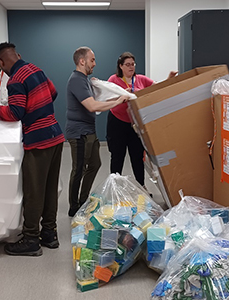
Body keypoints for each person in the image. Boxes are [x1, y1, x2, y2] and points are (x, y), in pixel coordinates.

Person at [0, 42, 64, 257]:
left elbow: (14, 113)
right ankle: (50, 234)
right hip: (56, 135)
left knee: (34, 191)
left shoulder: (15, 81)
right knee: (50, 188)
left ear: (2, 62)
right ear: (18, 55)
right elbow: (53, 93)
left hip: (38, 141)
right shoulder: (35, 69)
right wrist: (38, 108)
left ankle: (31, 238)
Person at [66, 46, 128, 217]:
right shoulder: (76, 80)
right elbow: (92, 106)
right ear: (82, 61)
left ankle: (83, 199)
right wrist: (118, 102)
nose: (95, 63)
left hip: (89, 130)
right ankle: (74, 206)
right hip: (79, 132)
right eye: (92, 60)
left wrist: (120, 96)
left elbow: (97, 99)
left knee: (94, 164)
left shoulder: (84, 79)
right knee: (78, 168)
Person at [107, 52, 177, 187]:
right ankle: (114, 189)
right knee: (117, 156)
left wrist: (169, 78)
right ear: (120, 66)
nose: (131, 67)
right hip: (117, 122)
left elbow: (157, 88)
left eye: (133, 64)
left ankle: (141, 188)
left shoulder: (141, 79)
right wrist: (122, 95)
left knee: (137, 156)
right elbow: (106, 98)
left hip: (135, 124)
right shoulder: (113, 80)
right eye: (127, 65)